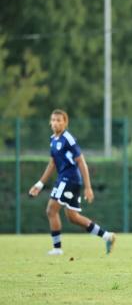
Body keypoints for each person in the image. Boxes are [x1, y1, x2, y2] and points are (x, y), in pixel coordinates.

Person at [28, 109, 116, 255]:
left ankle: (57, 249)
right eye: (53, 120)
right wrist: (39, 184)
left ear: (65, 122)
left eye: (59, 120)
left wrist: (88, 187)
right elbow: (52, 164)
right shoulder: (53, 140)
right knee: (73, 217)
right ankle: (107, 236)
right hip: (66, 179)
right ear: (50, 122)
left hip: (70, 178)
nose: (55, 123)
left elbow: (81, 161)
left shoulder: (68, 138)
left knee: (51, 210)